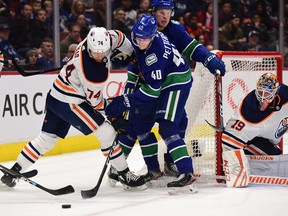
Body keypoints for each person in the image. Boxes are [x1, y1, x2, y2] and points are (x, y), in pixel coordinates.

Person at [0, 27, 146, 191]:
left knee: (46, 139)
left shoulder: (101, 39)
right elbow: (96, 104)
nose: (100, 56)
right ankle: (124, 173)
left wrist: (135, 57)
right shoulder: (93, 73)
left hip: (55, 95)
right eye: (96, 53)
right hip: (71, 103)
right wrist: (114, 115)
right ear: (89, 45)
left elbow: (119, 37)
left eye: (103, 52)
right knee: (107, 132)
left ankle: (13, 172)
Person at [107, 0, 226, 186]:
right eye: (161, 12)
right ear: (152, 12)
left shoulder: (167, 37)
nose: (165, 16)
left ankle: (181, 168)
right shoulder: (142, 31)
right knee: (138, 123)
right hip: (155, 80)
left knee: (171, 125)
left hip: (172, 81)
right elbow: (134, 62)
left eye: (168, 11)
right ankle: (150, 170)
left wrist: (207, 57)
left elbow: (190, 47)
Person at [221, 72, 288, 181]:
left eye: (266, 94)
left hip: (267, 141)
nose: (262, 97)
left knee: (276, 156)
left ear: (276, 92)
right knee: (275, 163)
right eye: (260, 92)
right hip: (249, 142)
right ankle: (243, 164)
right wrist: (232, 170)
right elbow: (229, 139)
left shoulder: (285, 95)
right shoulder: (249, 108)